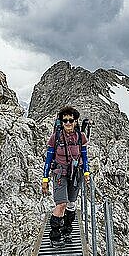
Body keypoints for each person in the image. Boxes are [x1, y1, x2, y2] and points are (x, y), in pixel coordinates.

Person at [42, 106, 90, 247]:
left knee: (71, 204)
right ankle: (55, 235)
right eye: (65, 120)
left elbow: (85, 157)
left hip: (75, 174)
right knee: (61, 203)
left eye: (71, 120)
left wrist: (86, 173)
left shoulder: (81, 137)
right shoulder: (55, 137)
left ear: (75, 121)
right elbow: (48, 160)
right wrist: (45, 179)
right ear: (61, 122)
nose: (68, 123)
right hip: (59, 174)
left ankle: (67, 230)